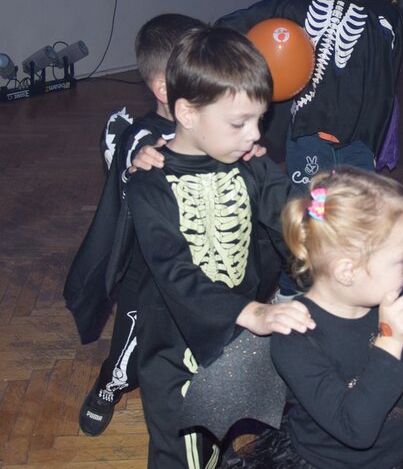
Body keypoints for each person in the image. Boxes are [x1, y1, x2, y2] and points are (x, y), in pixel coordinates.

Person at [124, 26, 315, 468]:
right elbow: (173, 272)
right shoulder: (151, 184)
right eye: (239, 123)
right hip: (175, 349)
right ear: (187, 113)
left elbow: (291, 215)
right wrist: (250, 312)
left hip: (239, 342)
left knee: (226, 433)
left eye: (259, 120)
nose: (254, 135)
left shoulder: (249, 165)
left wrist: (336, 225)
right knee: (183, 453)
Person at [234, 168, 403, 469]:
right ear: (347, 271)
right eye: (402, 258)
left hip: (394, 452)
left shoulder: (388, 302)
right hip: (326, 461)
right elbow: (355, 430)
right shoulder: (296, 335)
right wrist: (390, 341)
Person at [64, 13, 204, 437]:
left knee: (197, 338)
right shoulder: (146, 137)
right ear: (164, 89)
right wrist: (138, 163)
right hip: (148, 270)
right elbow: (135, 164)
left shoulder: (211, 122)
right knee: (131, 341)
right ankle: (109, 385)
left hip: (197, 261)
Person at [217, 0, 403, 192]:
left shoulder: (384, 17)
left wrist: (377, 143)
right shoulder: (292, 5)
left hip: (359, 141)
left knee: (353, 210)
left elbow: (386, 86)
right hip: (305, 136)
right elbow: (231, 26)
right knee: (308, 206)